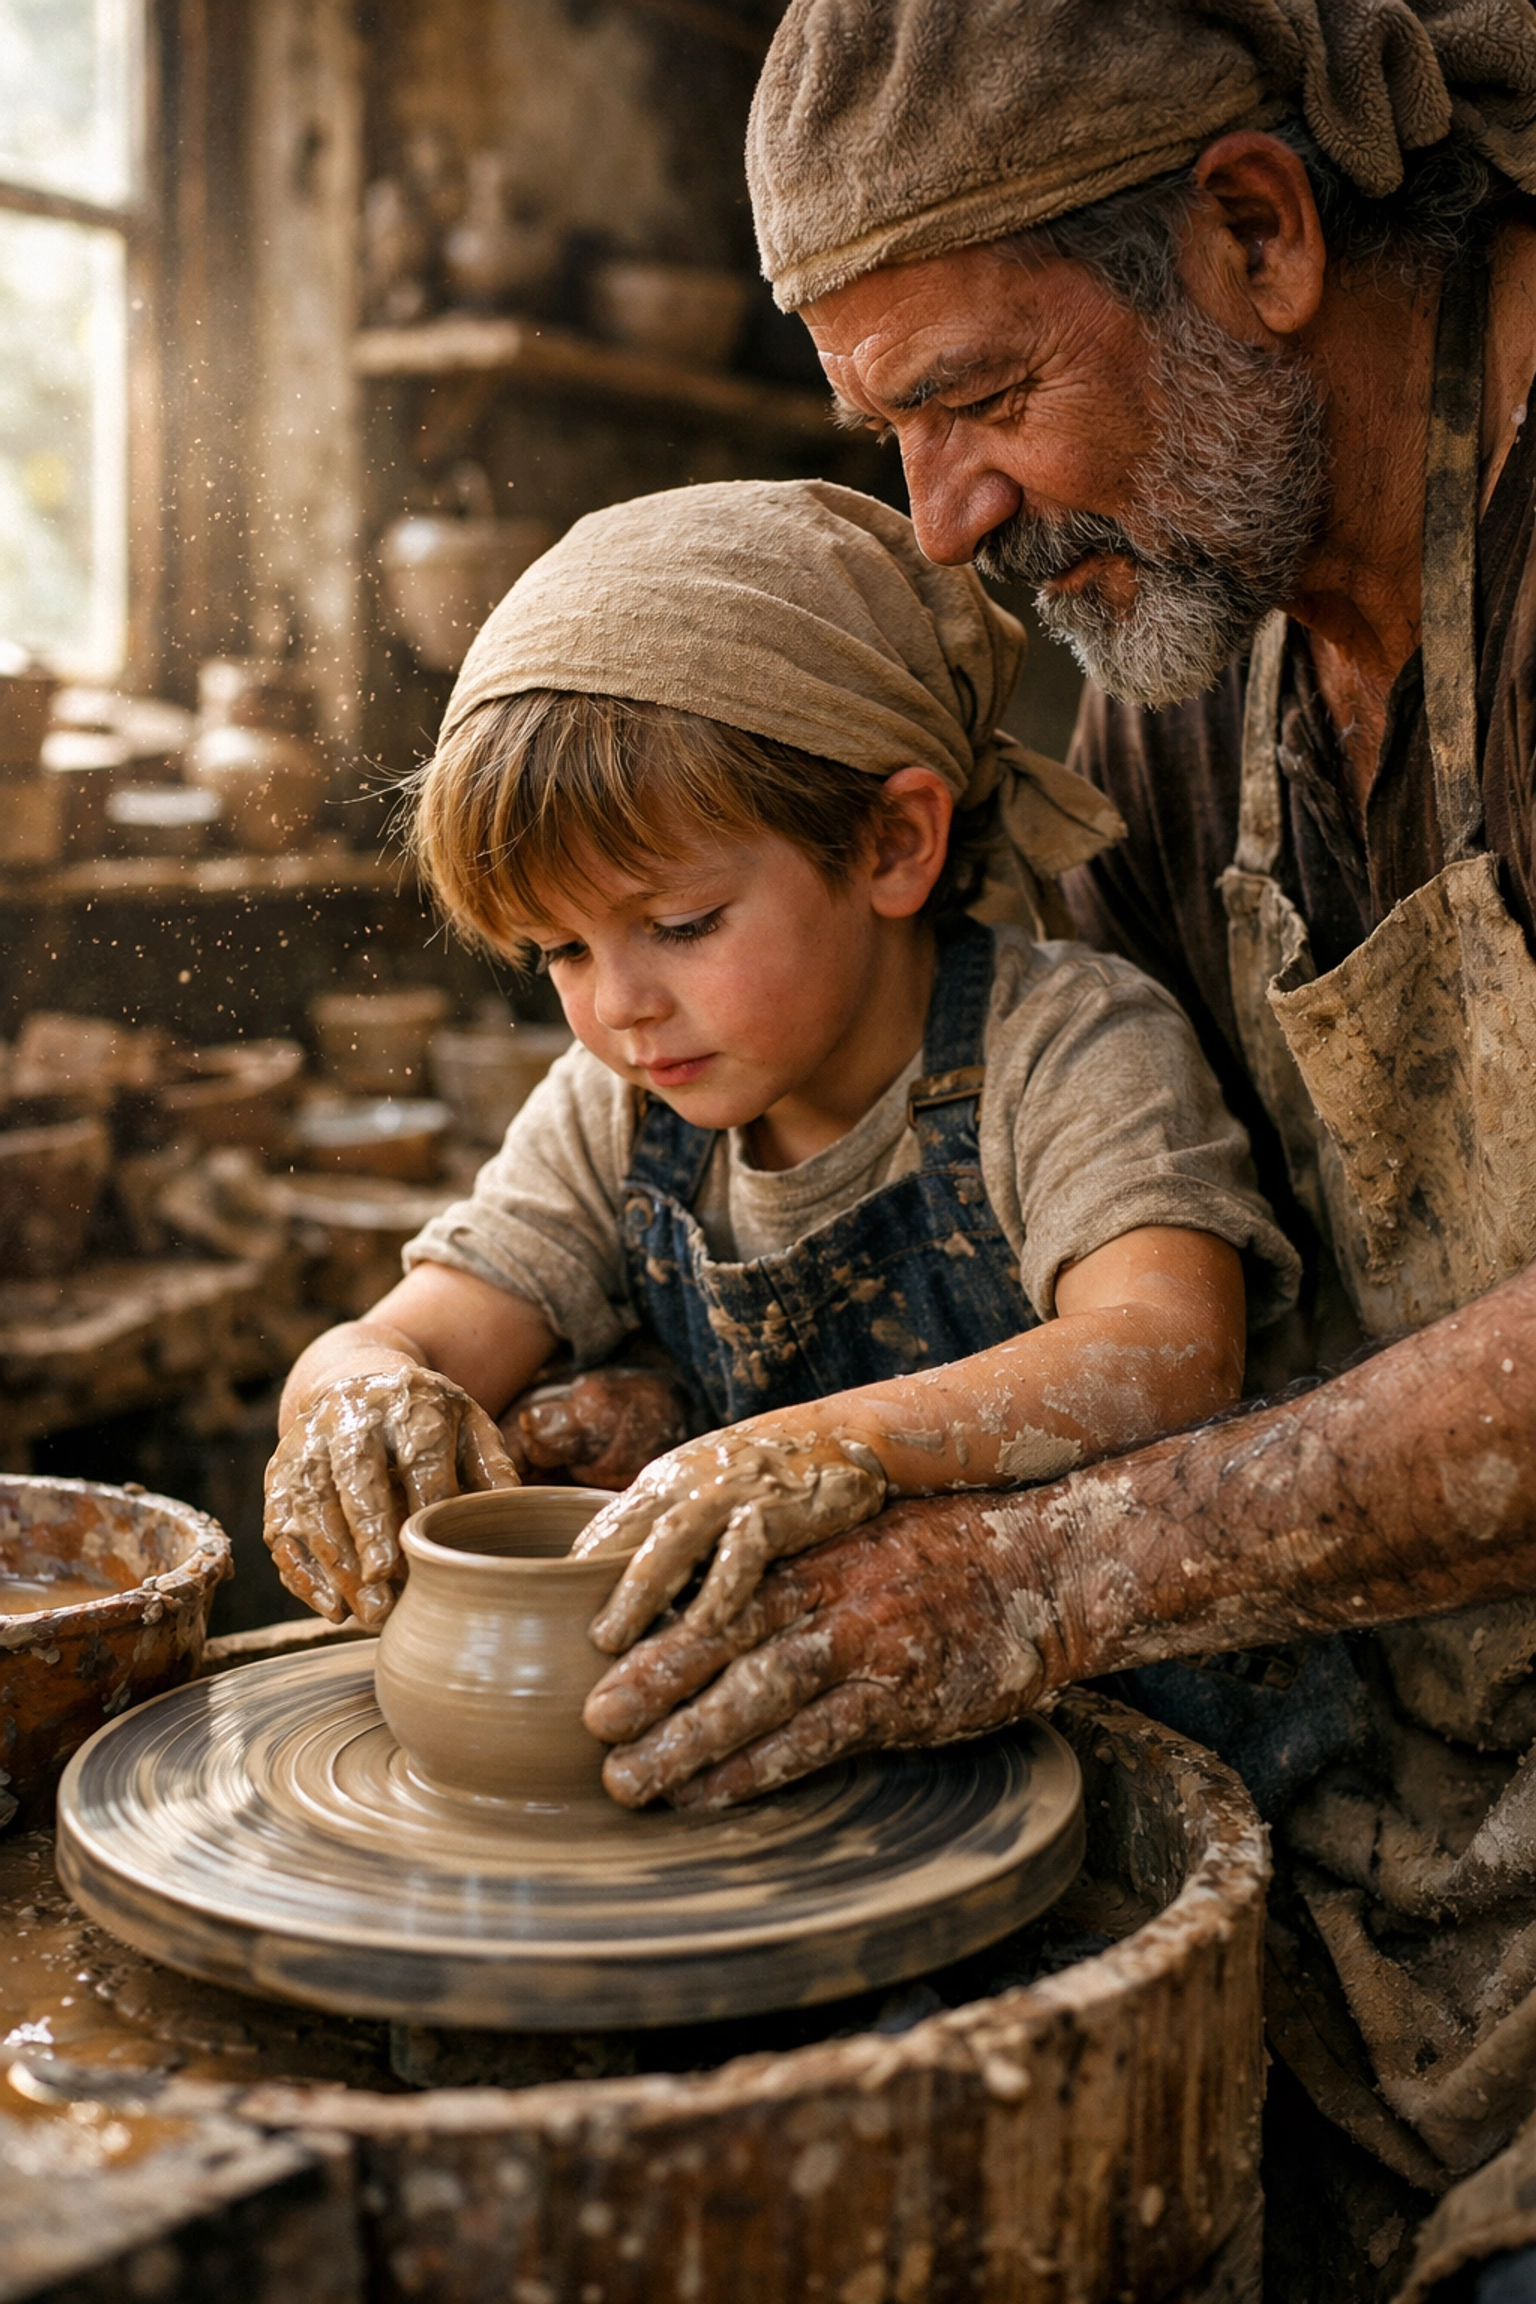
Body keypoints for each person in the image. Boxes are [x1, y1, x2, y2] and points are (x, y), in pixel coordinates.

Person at [537, 3, 1536, 2297]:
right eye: (893, 431)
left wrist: (1038, 1577)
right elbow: (1053, 1251)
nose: (942, 518)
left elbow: (1136, 1481)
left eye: (980, 397)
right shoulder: (1205, 680)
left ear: (1255, 230)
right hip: (1412, 1810)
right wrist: (715, 1427)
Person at [265, 481, 1296, 1667]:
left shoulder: (1067, 1046)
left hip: (1125, 1716)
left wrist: (822, 1446)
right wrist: (355, 1393)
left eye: (685, 922)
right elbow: (411, 1343)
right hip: (814, 1721)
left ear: (892, 843)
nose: (619, 1005)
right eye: (560, 951)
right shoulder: (620, 1111)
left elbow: (1168, 1346)